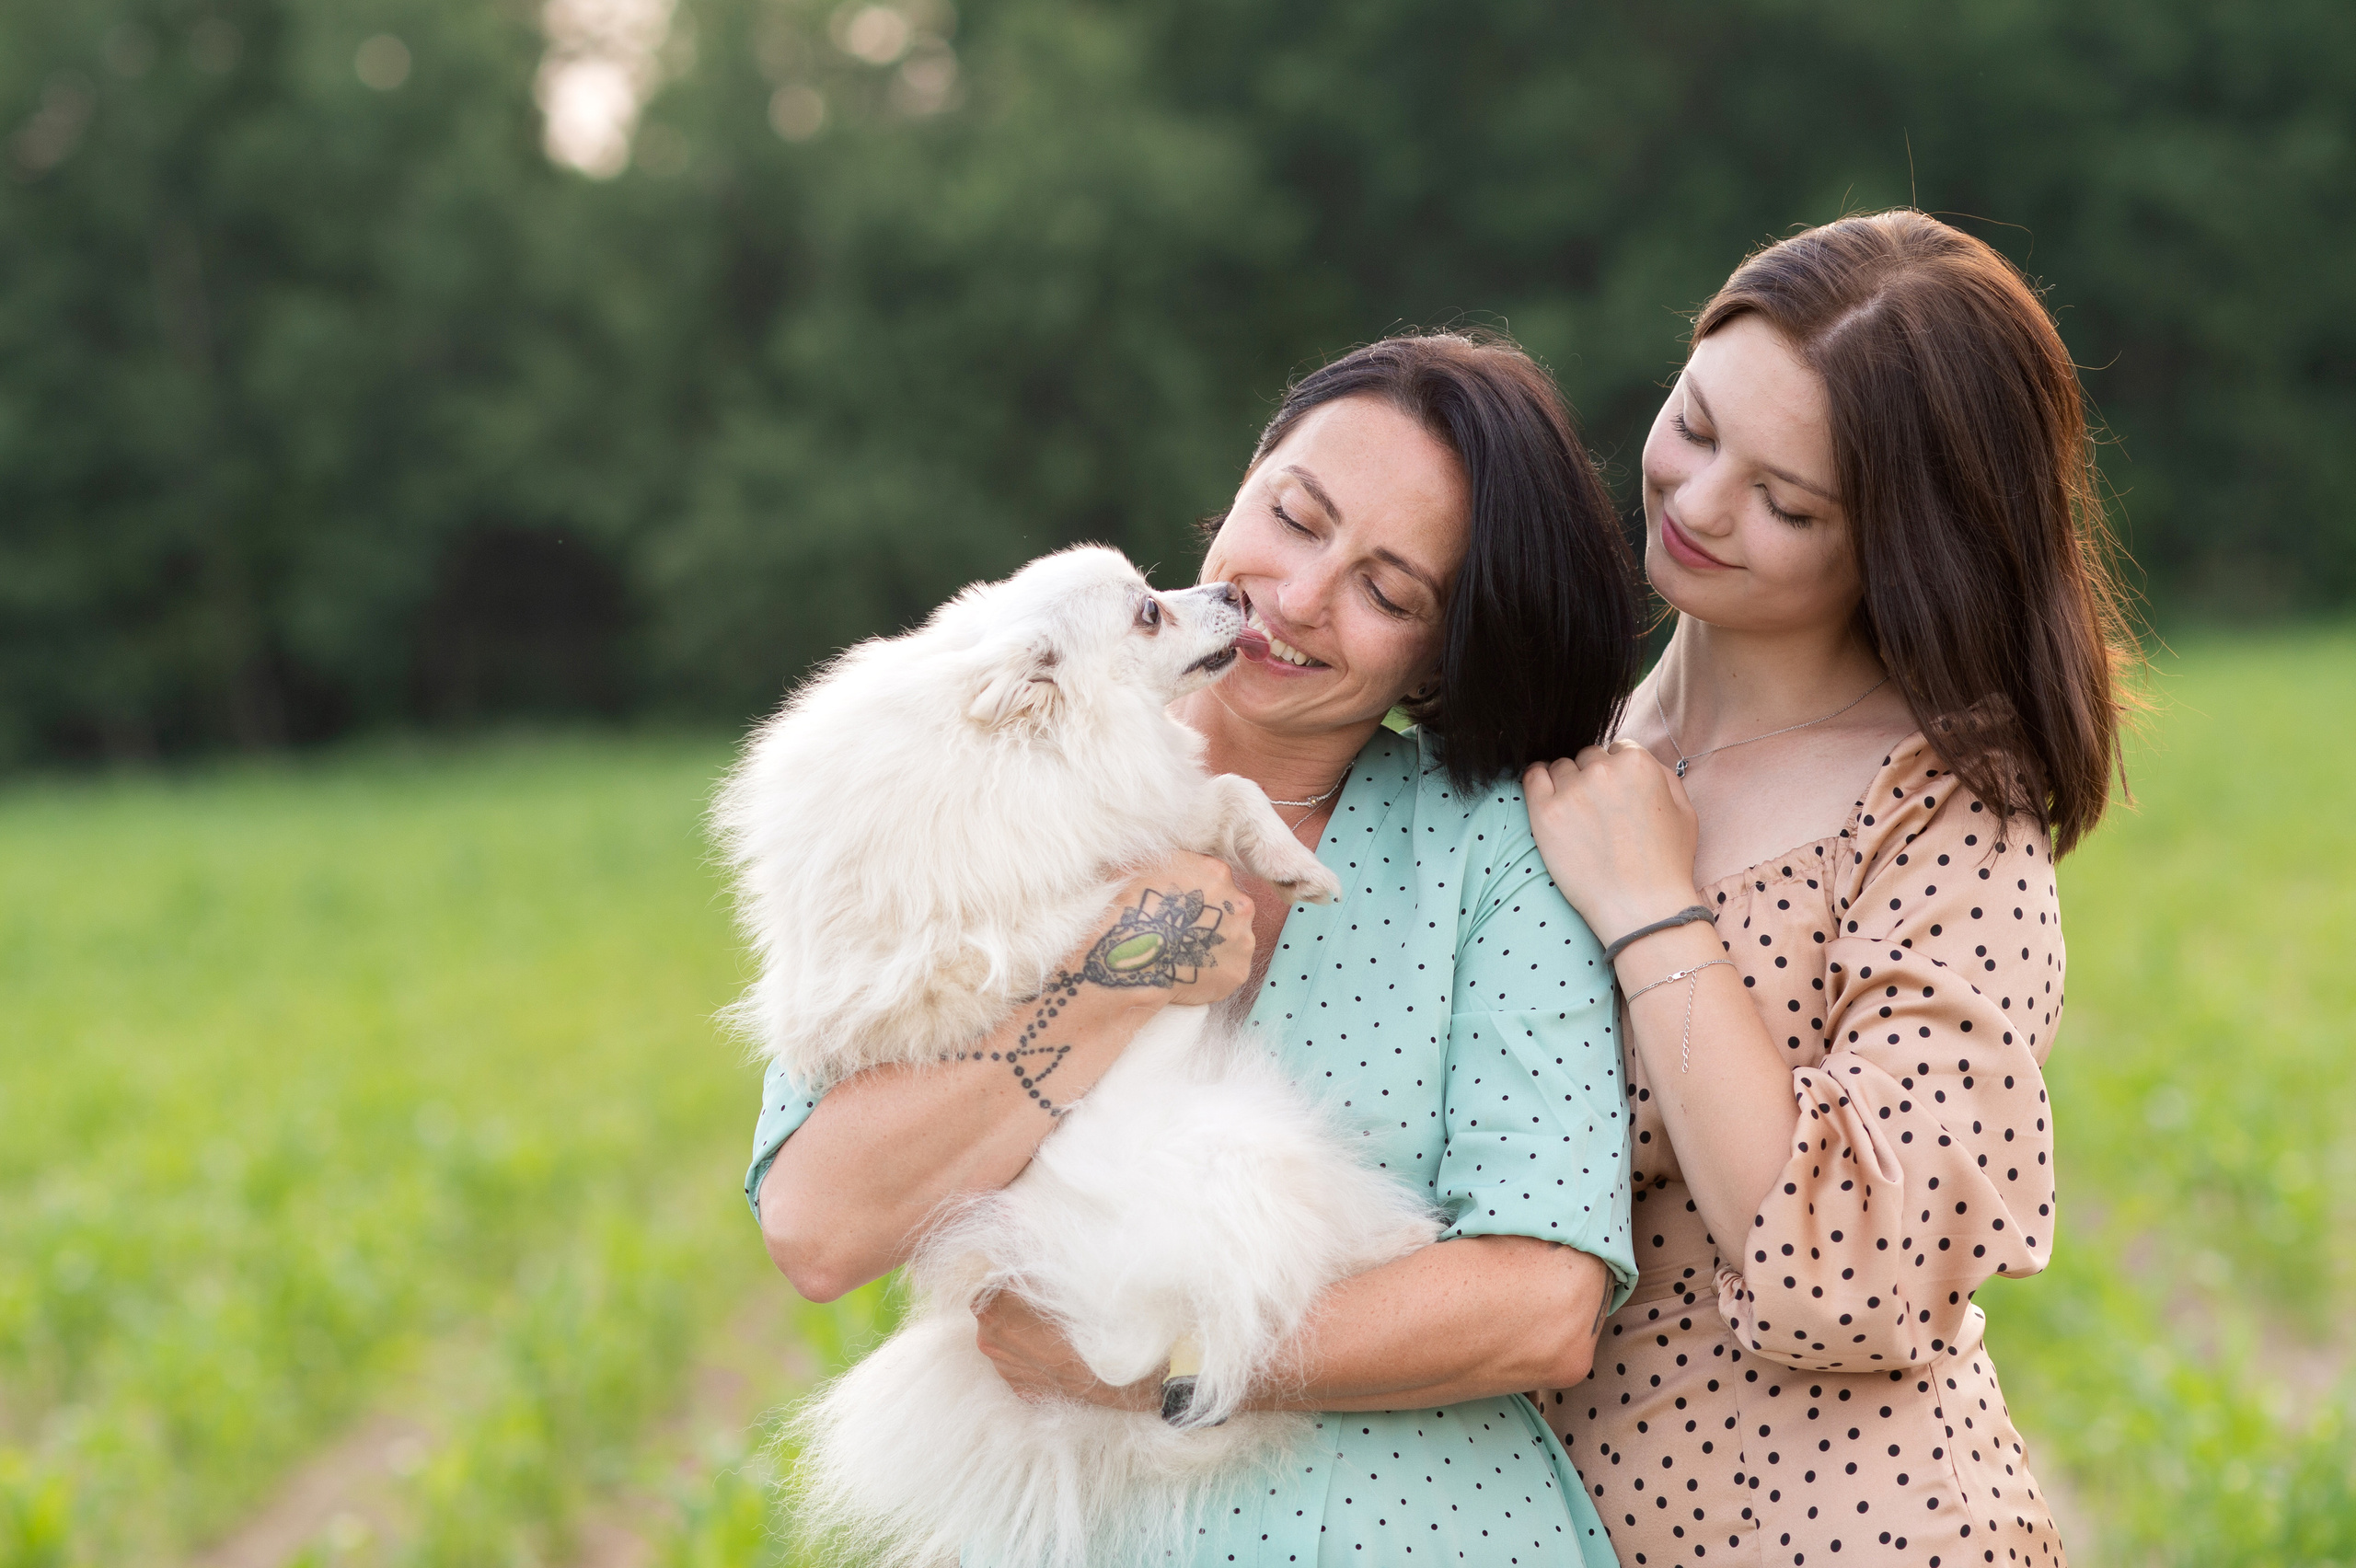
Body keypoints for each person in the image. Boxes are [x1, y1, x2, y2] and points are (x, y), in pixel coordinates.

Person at [747, 330, 1646, 1564]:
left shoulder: (1489, 849)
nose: (1299, 597)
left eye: (1389, 593)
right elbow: (819, 1222)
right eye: (1295, 514)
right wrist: (1118, 982)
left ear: (1442, 653)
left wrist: (1155, 1367)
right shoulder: (968, 772)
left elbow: (1543, 1305)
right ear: (1245, 476)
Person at [1523, 210, 2135, 1568]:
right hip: (1545, 1523)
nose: (1694, 501)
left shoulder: (1943, 814)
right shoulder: (1575, 742)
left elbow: (1853, 1276)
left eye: (1787, 503)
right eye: (1694, 424)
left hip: (1841, 1531)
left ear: (1905, 544)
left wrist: (1653, 914)